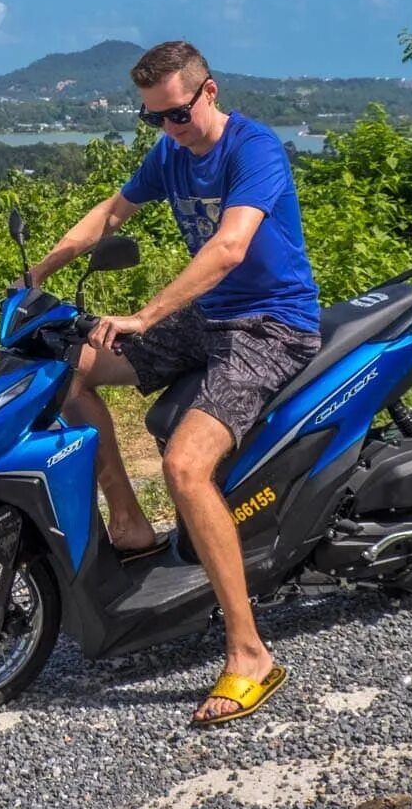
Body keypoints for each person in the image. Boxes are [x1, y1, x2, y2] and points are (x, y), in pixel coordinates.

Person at [20, 39, 321, 727]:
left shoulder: (255, 150)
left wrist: (147, 314)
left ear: (208, 92)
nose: (167, 129)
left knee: (185, 466)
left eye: (177, 115)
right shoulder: (171, 153)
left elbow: (229, 246)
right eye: (153, 118)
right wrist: (38, 273)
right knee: (67, 368)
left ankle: (250, 655)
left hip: (269, 324)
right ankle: (129, 526)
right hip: (210, 318)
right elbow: (110, 213)